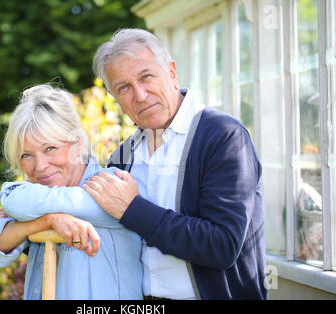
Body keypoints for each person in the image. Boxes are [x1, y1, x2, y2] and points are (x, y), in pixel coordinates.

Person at [83, 28, 267, 300]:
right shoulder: (123, 157)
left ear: (171, 72)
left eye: (146, 76)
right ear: (116, 99)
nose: (141, 95)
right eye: (124, 88)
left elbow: (222, 246)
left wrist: (133, 209)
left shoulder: (222, 136)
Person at [0, 84, 143, 300]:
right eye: (26, 155)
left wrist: (27, 221)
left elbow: (14, 200)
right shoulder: (39, 206)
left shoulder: (110, 186)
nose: (40, 166)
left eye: (50, 148)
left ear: (77, 144)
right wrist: (47, 221)